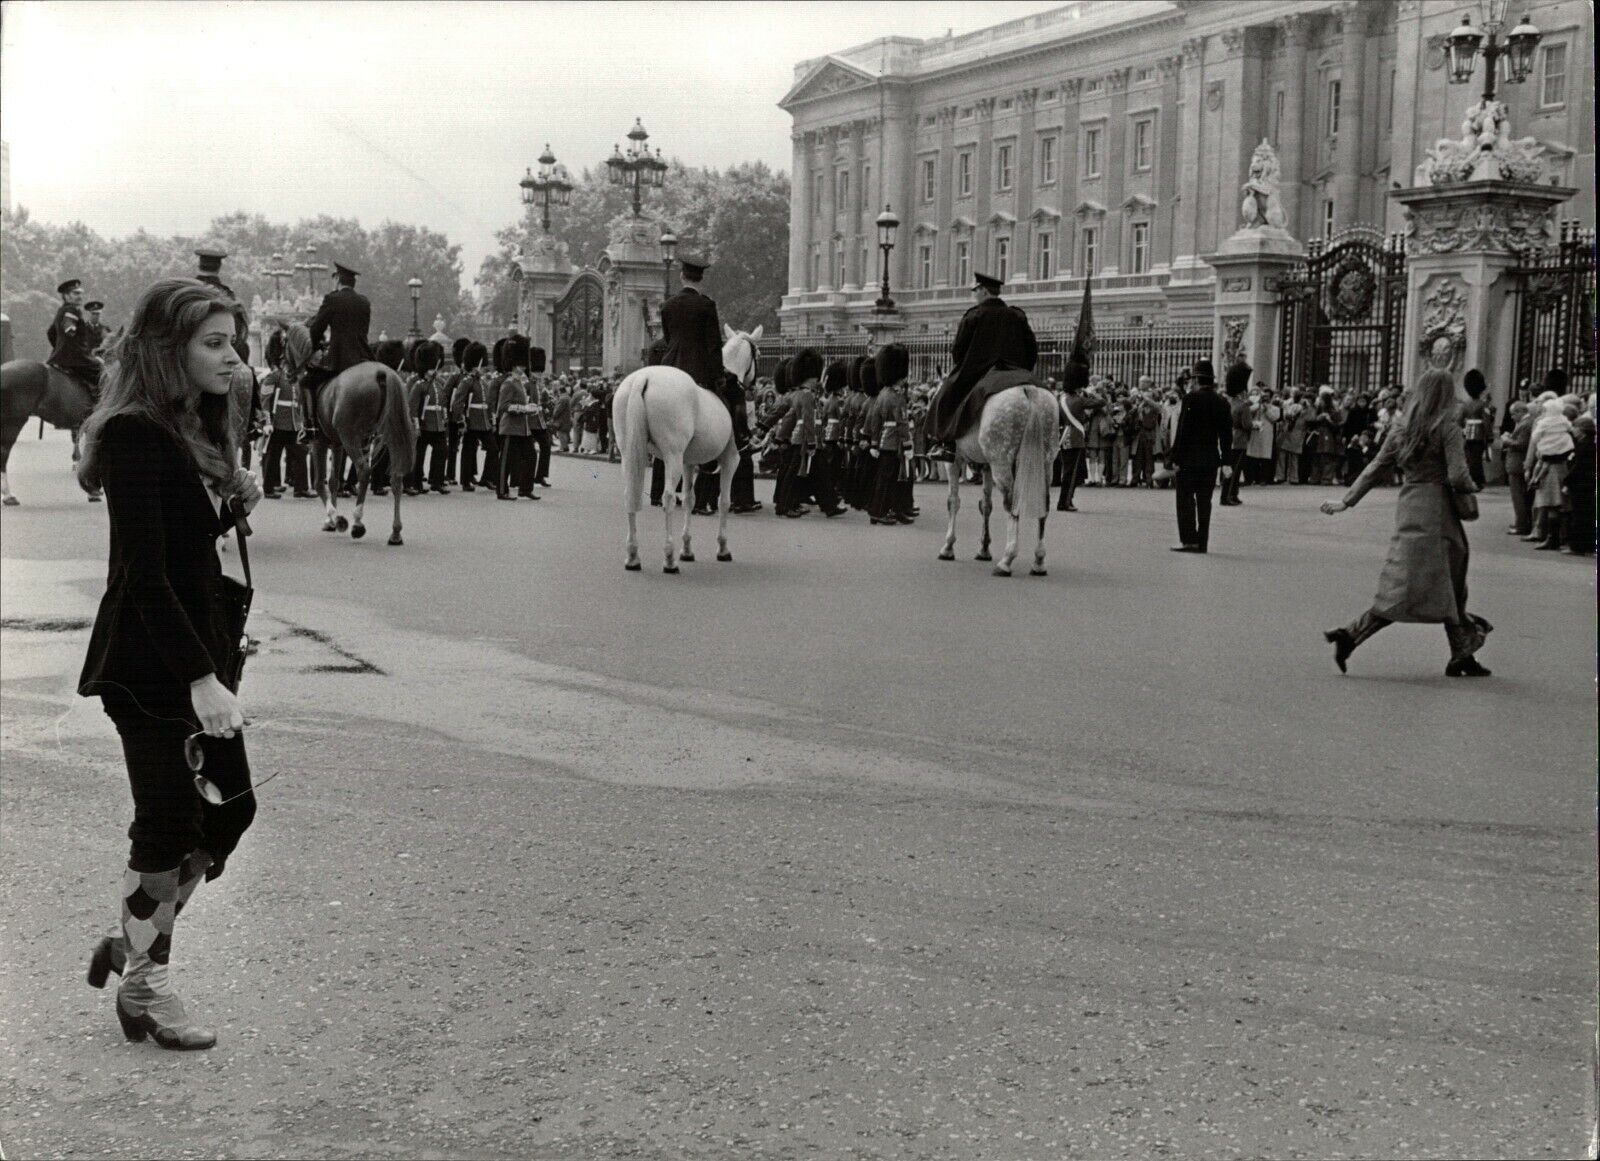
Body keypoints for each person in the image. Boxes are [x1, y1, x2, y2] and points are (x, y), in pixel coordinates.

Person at [73, 278, 265, 1050]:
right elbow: (143, 574)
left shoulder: (188, 423)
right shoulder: (131, 434)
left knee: (234, 808)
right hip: (152, 663)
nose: (233, 357)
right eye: (213, 343)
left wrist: (229, 499)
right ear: (168, 349)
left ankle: (132, 939)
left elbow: (184, 544)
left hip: (195, 647)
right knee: (165, 823)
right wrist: (201, 677)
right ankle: (146, 987)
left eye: (233, 341)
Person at [1320, 368, 1491, 677]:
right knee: (1443, 580)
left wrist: (1346, 501)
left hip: (1410, 504)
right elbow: (1456, 474)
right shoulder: (1447, 426)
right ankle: (1353, 635)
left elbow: (1375, 468)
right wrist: (1472, 487)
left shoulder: (1401, 427)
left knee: (1408, 581)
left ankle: (1461, 653)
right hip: (1439, 509)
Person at [925, 271, 1038, 456]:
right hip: (1017, 372)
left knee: (945, 395)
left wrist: (963, 368)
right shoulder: (1017, 315)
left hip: (979, 373)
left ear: (984, 291)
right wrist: (1023, 370)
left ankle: (945, 444)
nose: (974, 294)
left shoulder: (973, 316)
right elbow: (1032, 349)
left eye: (975, 290)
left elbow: (958, 351)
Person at [299, 262, 373, 445]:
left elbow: (316, 329)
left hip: (339, 359)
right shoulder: (364, 301)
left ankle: (311, 428)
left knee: (306, 382)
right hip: (364, 357)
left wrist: (316, 348)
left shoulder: (332, 299)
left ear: (338, 279)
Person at [1166, 358, 1233, 553]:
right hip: (1210, 459)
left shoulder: (1190, 399)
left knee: (1185, 499)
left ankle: (1189, 540)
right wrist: (1226, 460)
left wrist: (1174, 457)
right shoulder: (1222, 402)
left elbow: (1183, 431)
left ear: (1195, 379)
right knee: (1205, 502)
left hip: (1188, 459)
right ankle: (1203, 541)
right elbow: (1226, 435)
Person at [659, 254, 724, 399]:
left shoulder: (667, 305)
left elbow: (668, 338)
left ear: (682, 276)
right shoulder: (707, 305)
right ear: (701, 279)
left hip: (670, 364)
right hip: (699, 368)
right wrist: (718, 376)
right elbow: (714, 344)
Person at [48, 278, 104, 396]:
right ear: (66, 296)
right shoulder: (71, 310)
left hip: (60, 357)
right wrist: (70, 331)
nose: (80, 296)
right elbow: (69, 328)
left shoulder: (61, 310)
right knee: (102, 371)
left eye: (80, 293)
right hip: (76, 358)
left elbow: (50, 332)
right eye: (76, 293)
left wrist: (58, 348)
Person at [1055, 358, 1091, 511]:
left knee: (1070, 472)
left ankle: (1065, 501)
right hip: (1076, 439)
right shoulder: (1079, 399)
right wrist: (1088, 393)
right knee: (1073, 473)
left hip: (1064, 437)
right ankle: (1064, 502)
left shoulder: (1061, 398)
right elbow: (1102, 402)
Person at [495, 369, 537, 501]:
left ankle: (525, 489)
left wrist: (530, 408)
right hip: (510, 427)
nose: (523, 368)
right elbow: (503, 406)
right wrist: (523, 409)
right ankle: (501, 490)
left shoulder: (519, 382)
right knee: (506, 461)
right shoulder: (509, 383)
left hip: (523, 428)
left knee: (531, 456)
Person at [1219, 362, 1253, 505]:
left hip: (1230, 437)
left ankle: (1233, 494)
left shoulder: (1229, 403)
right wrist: (1254, 426)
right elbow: (1247, 425)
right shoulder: (1243, 405)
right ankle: (1227, 496)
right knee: (1235, 471)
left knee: (1231, 469)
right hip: (1240, 439)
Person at [1459, 368, 1495, 489]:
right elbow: (1486, 422)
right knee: (1476, 460)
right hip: (1479, 435)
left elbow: (1459, 420)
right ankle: (1477, 480)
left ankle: (1472, 479)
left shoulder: (1465, 404)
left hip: (1467, 434)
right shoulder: (1482, 404)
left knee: (1470, 459)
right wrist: (1490, 436)